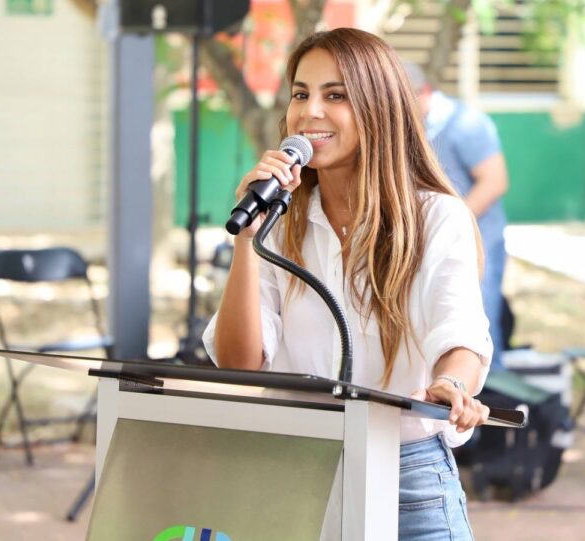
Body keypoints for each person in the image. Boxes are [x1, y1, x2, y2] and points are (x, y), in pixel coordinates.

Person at [203, 28, 492, 540]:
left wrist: (453, 384)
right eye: (300, 94)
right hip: (295, 469)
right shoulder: (279, 224)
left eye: (335, 95)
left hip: (405, 479)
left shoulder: (436, 217)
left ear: (378, 108)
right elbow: (239, 362)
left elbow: (460, 333)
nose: (310, 111)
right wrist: (248, 239)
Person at [404, 63, 509, 370]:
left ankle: (486, 408)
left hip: (477, 242)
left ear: (423, 92)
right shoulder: (413, 127)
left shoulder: (466, 124)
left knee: (477, 329)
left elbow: (494, 181)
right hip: (427, 243)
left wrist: (446, 225)